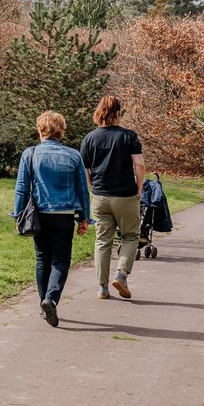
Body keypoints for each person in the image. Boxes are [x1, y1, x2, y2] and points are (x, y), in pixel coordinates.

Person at [12, 111, 90, 328]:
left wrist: (18, 214)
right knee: (61, 260)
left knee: (42, 259)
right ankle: (51, 299)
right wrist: (84, 218)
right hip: (64, 215)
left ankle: (43, 304)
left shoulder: (30, 154)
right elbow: (82, 190)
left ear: (41, 130)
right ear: (61, 131)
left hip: (39, 215)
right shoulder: (73, 155)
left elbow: (21, 188)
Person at [80, 95, 144, 300]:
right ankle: (121, 274)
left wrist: (93, 188)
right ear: (118, 113)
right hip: (125, 195)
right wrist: (139, 188)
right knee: (131, 236)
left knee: (102, 241)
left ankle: (102, 287)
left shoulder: (90, 138)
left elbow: (85, 169)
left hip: (100, 196)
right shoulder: (129, 136)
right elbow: (140, 164)